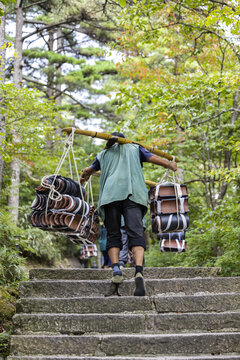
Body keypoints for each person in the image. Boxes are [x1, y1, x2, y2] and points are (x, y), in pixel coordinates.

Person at [80, 132, 177, 296]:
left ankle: (116, 268)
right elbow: (154, 158)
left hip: (110, 196)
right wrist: (170, 165)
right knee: (135, 233)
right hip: (132, 194)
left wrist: (84, 176)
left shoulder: (103, 154)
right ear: (124, 140)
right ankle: (139, 271)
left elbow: (89, 170)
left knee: (113, 234)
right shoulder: (135, 148)